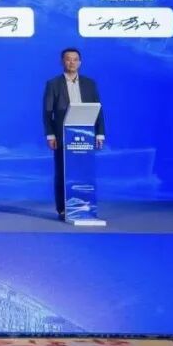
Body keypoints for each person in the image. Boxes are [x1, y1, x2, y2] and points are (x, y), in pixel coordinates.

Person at [43, 47, 105, 220]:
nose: (72, 62)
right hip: (62, 134)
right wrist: (50, 135)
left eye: (75, 59)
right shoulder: (53, 84)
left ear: (80, 62)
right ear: (62, 62)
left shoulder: (90, 84)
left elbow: (98, 110)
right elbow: (47, 112)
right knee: (62, 171)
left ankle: (85, 205)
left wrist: (100, 134)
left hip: (86, 133)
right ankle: (63, 209)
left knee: (84, 171)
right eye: (68, 59)